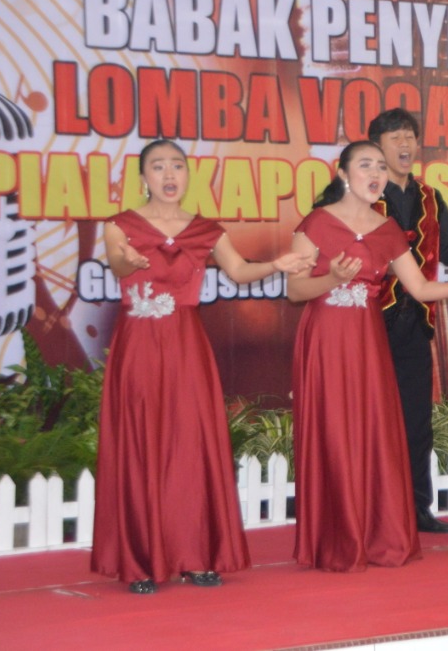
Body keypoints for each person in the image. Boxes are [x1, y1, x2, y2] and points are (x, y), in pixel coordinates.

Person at [92, 139, 311, 594]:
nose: (169, 174)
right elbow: (117, 264)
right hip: (139, 346)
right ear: (143, 177)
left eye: (177, 165)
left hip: (186, 346)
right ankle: (141, 562)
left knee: (190, 447)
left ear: (187, 174)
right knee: (141, 445)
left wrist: (277, 263)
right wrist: (127, 261)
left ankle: (196, 555)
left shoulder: (205, 230)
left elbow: (238, 271)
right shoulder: (119, 226)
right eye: (158, 167)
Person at [287, 141, 448, 572]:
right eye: (365, 165)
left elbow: (420, 288)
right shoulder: (315, 223)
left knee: (373, 432)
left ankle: (374, 533)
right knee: (334, 432)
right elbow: (295, 291)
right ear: (343, 173)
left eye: (380, 167)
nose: (375, 174)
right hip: (326, 340)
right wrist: (332, 278)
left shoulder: (387, 229)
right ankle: (335, 537)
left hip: (368, 342)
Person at [368, 108, 448, 534]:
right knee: (369, 418)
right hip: (367, 324)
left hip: (414, 323)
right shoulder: (358, 195)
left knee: (416, 421)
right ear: (376, 147)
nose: (405, 145)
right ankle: (373, 511)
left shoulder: (430, 197)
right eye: (395, 138)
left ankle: (417, 509)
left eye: (409, 137)